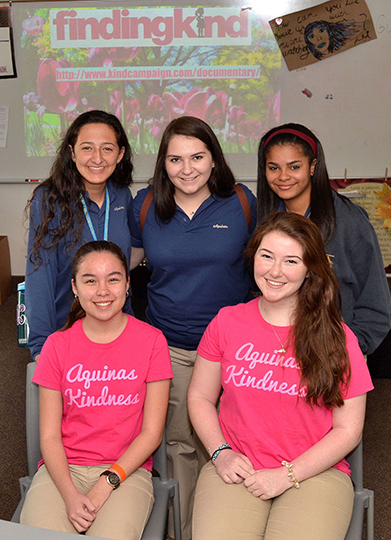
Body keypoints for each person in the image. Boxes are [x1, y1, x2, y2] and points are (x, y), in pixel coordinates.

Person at [188, 212, 373, 540]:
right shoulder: (227, 322)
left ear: (309, 270)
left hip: (316, 472)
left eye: (290, 261)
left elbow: (348, 430)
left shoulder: (339, 338)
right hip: (237, 465)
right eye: (266, 256)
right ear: (252, 257)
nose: (275, 271)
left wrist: (287, 474)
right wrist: (220, 452)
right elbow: (200, 397)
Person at [130, 115, 257, 540]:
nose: (187, 169)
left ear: (214, 158)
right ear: (162, 164)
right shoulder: (146, 204)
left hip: (236, 351)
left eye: (197, 157)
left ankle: (226, 526)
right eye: (175, 159)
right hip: (174, 347)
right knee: (181, 443)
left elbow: (270, 266)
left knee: (232, 439)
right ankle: (186, 530)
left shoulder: (241, 201)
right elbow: (125, 266)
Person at [20, 241, 173, 540]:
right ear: (75, 287)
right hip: (63, 470)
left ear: (128, 284)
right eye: (90, 280)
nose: (103, 291)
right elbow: (49, 436)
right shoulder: (56, 345)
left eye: (113, 279)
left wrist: (107, 482)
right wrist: (69, 495)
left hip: (126, 471)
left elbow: (151, 433)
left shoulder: (153, 342)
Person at [256, 123, 391, 355]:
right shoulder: (265, 218)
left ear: (312, 166)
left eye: (294, 166)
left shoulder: (349, 222)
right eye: (273, 168)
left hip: (334, 355)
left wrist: (346, 352)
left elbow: (375, 303)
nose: (283, 176)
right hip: (276, 353)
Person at [25, 110, 136, 360]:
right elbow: (40, 274)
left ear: (120, 154)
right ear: (72, 153)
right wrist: (42, 346)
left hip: (118, 326)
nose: (97, 158)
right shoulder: (50, 200)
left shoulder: (122, 197)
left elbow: (126, 259)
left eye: (107, 149)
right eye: (87, 148)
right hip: (68, 329)